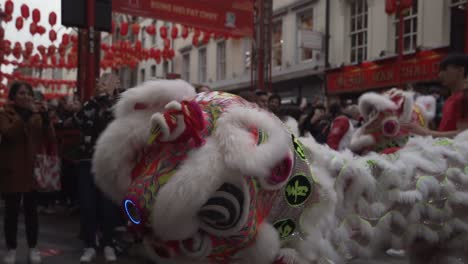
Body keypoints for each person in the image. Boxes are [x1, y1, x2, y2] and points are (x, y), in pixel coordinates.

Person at [0, 82, 54, 264]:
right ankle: (11, 249)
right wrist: (25, 116)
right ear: (13, 96)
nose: (26, 96)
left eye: (28, 93)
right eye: (21, 93)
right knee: (12, 212)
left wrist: (46, 118)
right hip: (12, 169)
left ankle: (33, 247)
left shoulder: (37, 115)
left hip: (33, 169)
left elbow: (50, 139)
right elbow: (8, 134)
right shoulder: (5, 114)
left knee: (32, 212)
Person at [74, 74, 120, 262]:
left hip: (108, 161)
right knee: (87, 204)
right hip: (87, 161)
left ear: (116, 85)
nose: (103, 85)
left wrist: (107, 98)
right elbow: (80, 122)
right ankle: (89, 244)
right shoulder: (89, 105)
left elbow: (113, 123)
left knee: (108, 205)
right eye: (100, 82)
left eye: (108, 82)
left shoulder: (118, 105)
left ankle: (108, 242)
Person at [403, 54, 468, 137]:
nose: (440, 75)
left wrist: (426, 132)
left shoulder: (464, 98)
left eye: (445, 70)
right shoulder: (452, 99)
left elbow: (464, 135)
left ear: (461, 71)